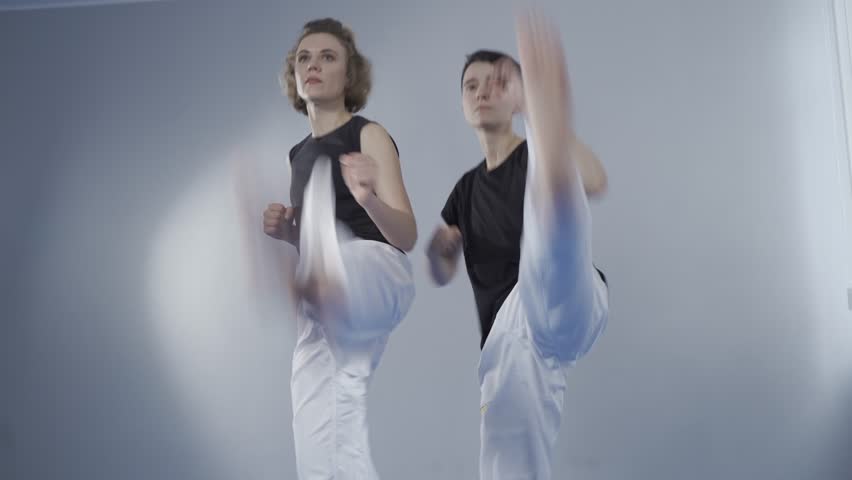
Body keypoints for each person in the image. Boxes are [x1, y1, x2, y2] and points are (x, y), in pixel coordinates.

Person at [426, 11, 610, 480]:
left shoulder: (533, 150)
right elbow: (440, 275)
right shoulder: (465, 190)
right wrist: (440, 252)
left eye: (496, 83)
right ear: (462, 103)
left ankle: (550, 171)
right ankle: (551, 189)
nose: (482, 92)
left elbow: (594, 180)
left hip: (567, 292)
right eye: (471, 86)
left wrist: (542, 120)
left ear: (516, 97)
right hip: (508, 342)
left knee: (547, 236)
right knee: (506, 464)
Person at [263, 17, 417, 480]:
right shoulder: (297, 156)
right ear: (294, 75)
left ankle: (319, 283)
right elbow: (311, 241)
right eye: (304, 58)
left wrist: (368, 198)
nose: (313, 65)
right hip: (323, 300)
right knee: (320, 434)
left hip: (377, 271)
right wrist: (289, 235)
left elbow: (406, 236)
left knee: (336, 246)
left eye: (327, 57)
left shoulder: (367, 134)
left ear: (348, 75)